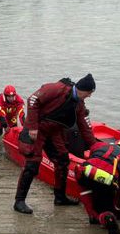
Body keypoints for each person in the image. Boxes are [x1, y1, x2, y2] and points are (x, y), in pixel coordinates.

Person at [14, 73, 98, 214]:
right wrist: (33, 126)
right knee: (33, 163)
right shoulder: (57, 89)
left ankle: (60, 198)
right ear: (82, 89)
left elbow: (85, 127)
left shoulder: (79, 105)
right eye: (89, 93)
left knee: (62, 160)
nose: (89, 96)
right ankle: (19, 201)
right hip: (38, 127)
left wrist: (96, 147)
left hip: (53, 131)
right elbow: (33, 99)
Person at [75, 139, 120, 234]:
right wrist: (119, 207)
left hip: (87, 171)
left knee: (84, 189)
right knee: (105, 208)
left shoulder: (100, 145)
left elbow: (91, 153)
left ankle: (93, 216)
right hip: (107, 181)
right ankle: (107, 217)